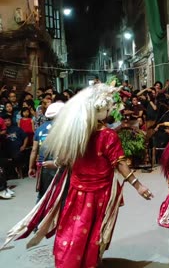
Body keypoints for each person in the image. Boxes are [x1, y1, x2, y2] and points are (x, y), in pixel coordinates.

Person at [2, 84, 154, 268]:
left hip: (76, 190)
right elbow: (120, 163)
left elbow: (65, 159)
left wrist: (54, 164)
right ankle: (91, 261)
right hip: (101, 193)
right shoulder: (108, 135)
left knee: (74, 227)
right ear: (103, 110)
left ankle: (70, 259)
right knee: (96, 229)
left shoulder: (76, 133)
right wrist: (138, 186)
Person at [28, 102, 65, 201]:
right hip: (58, 164)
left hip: (43, 165)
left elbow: (34, 150)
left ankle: (39, 214)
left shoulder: (40, 129)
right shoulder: (64, 129)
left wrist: (31, 167)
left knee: (43, 195)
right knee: (61, 193)